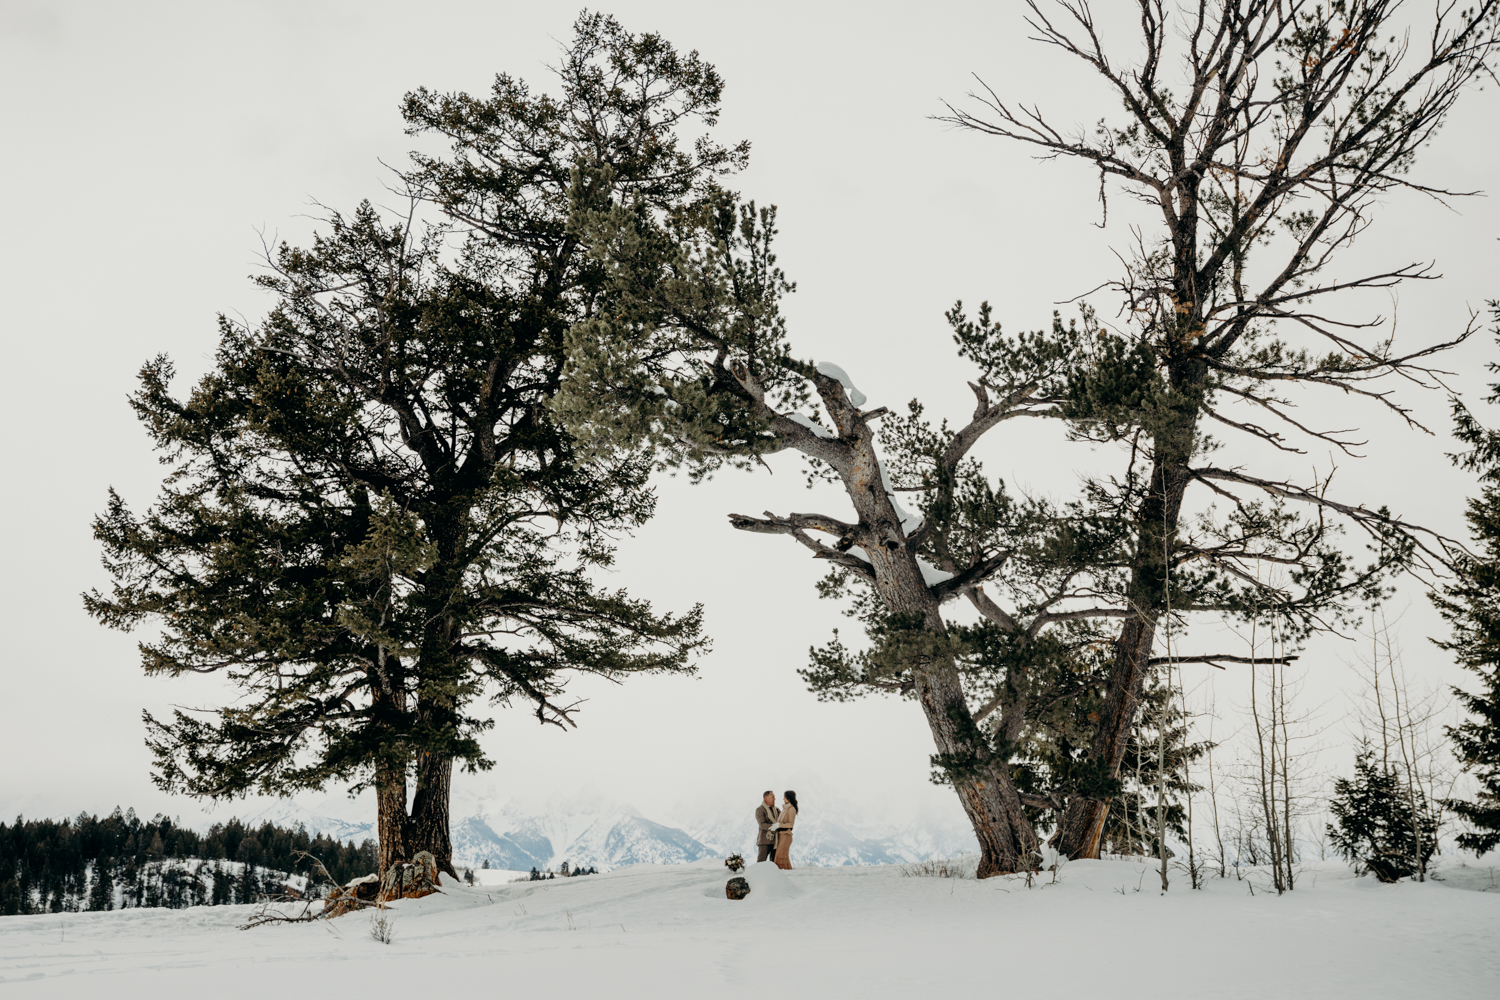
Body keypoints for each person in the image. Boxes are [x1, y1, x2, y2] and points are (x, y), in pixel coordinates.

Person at [774, 790, 799, 870]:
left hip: (786, 835)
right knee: (779, 855)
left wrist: (779, 825)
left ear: (789, 798)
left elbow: (790, 824)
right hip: (781, 835)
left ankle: (785, 874)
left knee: (781, 855)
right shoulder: (785, 809)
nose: (783, 799)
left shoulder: (791, 809)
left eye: (784, 797)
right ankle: (783, 873)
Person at [754, 790, 778, 863]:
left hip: (775, 841)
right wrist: (775, 827)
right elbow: (762, 825)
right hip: (764, 841)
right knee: (761, 862)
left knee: (774, 863)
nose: (774, 799)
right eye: (772, 797)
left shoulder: (776, 810)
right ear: (766, 798)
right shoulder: (760, 810)